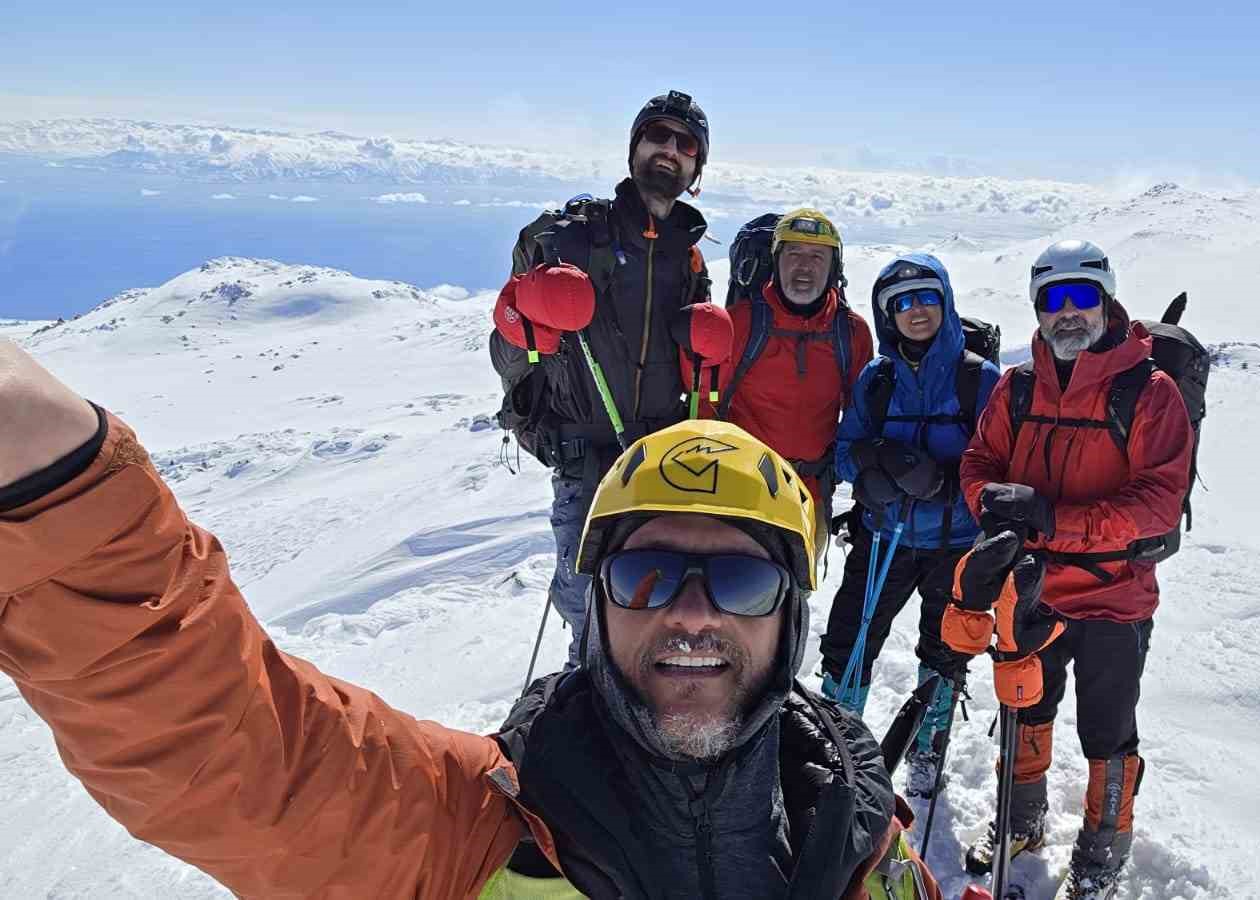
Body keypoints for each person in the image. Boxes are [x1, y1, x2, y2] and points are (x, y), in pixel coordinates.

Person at [0, 340, 940, 899]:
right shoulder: (470, 826)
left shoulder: (864, 839)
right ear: (597, 603)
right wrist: (58, 489)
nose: (691, 615)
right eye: (647, 576)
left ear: (789, 616)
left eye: (738, 583)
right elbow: (235, 755)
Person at [957, 239, 1194, 898]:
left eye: (1080, 297)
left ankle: (1103, 850)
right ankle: (1021, 820)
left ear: (1105, 300)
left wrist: (1053, 518)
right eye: (1052, 300)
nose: (1067, 313)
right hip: (1030, 589)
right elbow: (979, 461)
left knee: (1108, 732)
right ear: (1037, 309)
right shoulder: (1018, 387)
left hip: (1115, 597)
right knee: (1025, 708)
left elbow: (1157, 503)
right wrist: (992, 504)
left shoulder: (1150, 392)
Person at [489, 90, 713, 668]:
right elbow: (510, 344)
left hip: (664, 464)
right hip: (586, 459)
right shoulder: (574, 237)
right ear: (634, 147)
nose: (669, 150)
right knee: (591, 615)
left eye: (684, 144)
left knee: (655, 608)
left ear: (696, 170)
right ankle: (582, 734)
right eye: (657, 136)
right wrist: (536, 299)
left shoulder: (689, 261)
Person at [821, 254, 1000, 792]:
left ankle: (927, 746)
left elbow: (1000, 458)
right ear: (886, 315)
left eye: (925, 297)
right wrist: (872, 465)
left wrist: (947, 483)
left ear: (944, 302)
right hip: (884, 536)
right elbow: (845, 449)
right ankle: (835, 741)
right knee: (851, 640)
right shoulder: (876, 381)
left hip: (957, 542)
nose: (915, 310)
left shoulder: (978, 379)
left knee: (943, 650)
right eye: (900, 302)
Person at [695, 207, 873, 536]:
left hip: (811, 493)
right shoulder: (740, 323)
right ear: (776, 261)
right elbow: (708, 402)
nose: (804, 266)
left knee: (799, 588)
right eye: (793, 253)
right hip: (742, 488)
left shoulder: (851, 333)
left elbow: (861, 416)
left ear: (834, 268)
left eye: (817, 256)